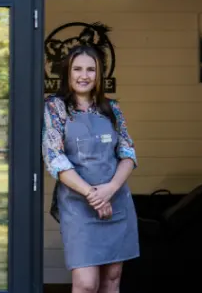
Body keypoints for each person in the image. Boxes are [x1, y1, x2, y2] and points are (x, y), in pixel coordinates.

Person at [42, 44, 139, 293]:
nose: (83, 75)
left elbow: (128, 152)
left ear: (99, 75)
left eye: (90, 69)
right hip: (78, 205)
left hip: (116, 200)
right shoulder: (55, 108)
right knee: (86, 284)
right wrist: (93, 195)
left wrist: (111, 189)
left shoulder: (112, 109)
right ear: (67, 72)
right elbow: (55, 158)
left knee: (112, 279)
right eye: (77, 69)